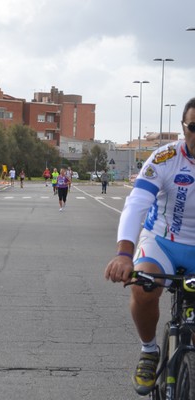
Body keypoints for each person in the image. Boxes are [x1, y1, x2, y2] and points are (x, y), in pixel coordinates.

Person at [104, 98, 195, 396]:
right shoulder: (164, 158)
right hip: (162, 242)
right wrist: (123, 254)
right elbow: (137, 204)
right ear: (184, 128)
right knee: (143, 287)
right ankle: (149, 350)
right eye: (194, 127)